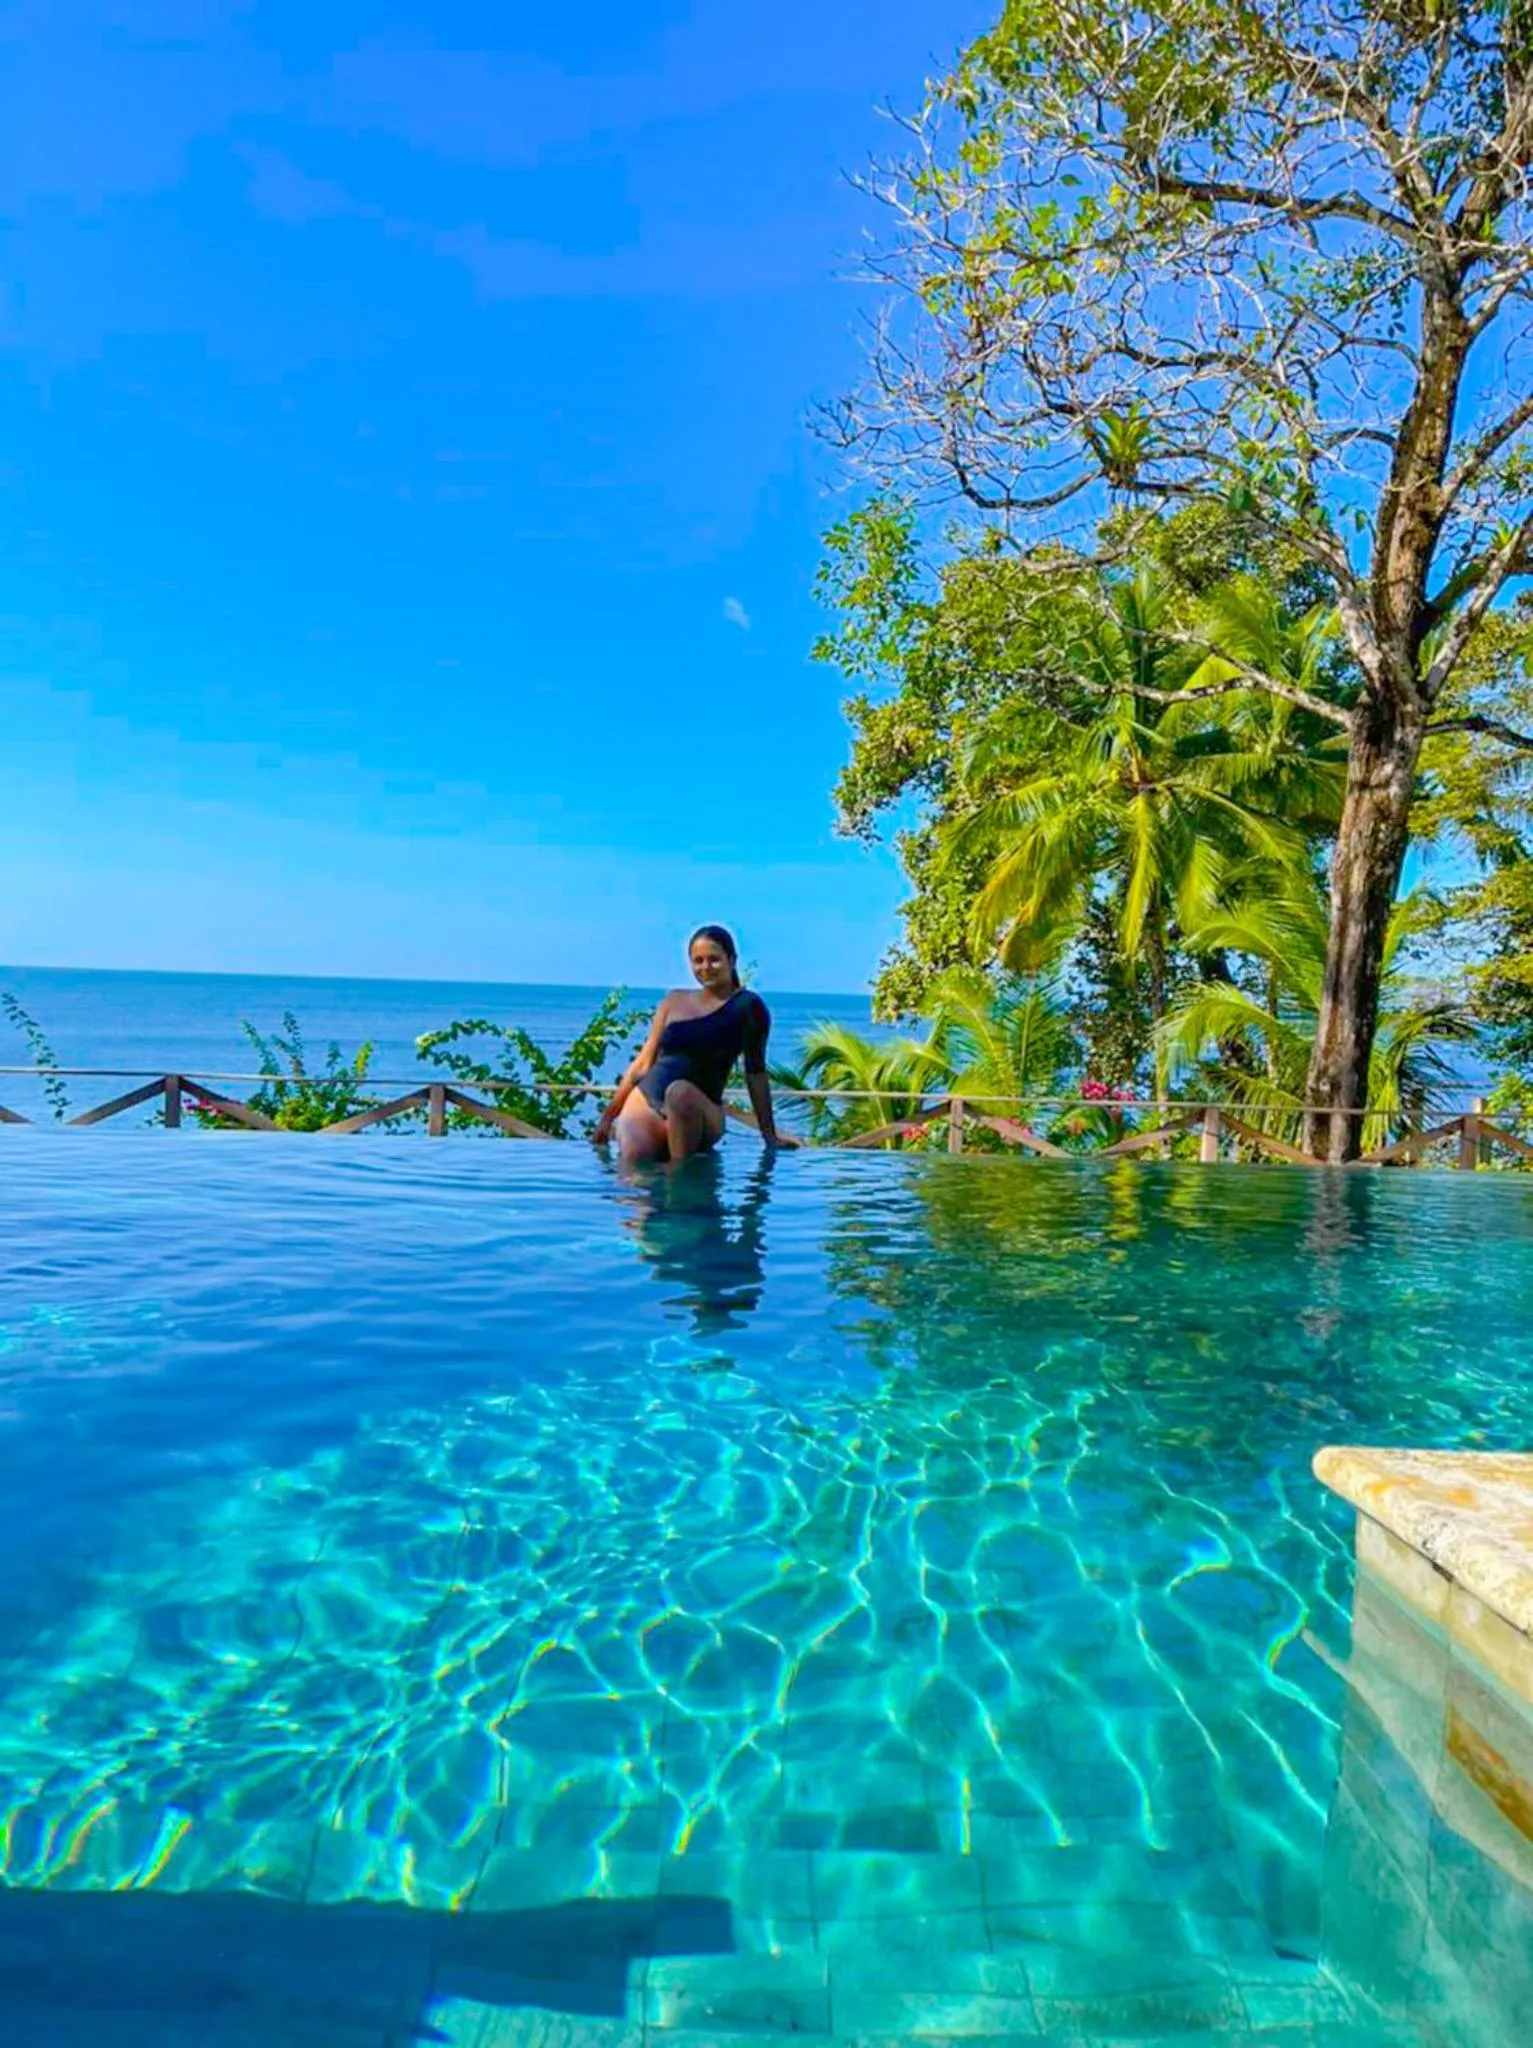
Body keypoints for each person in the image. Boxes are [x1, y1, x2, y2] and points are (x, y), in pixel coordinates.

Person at [592, 926, 793, 1165]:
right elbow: (643, 1065)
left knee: (679, 1093)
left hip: (700, 1108)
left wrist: (769, 1136)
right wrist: (607, 1119)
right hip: (647, 1099)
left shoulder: (748, 1007)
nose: (705, 968)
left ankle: (680, 1185)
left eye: (714, 959)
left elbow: (756, 1074)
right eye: (698, 961)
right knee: (635, 1165)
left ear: (732, 960)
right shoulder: (673, 1000)